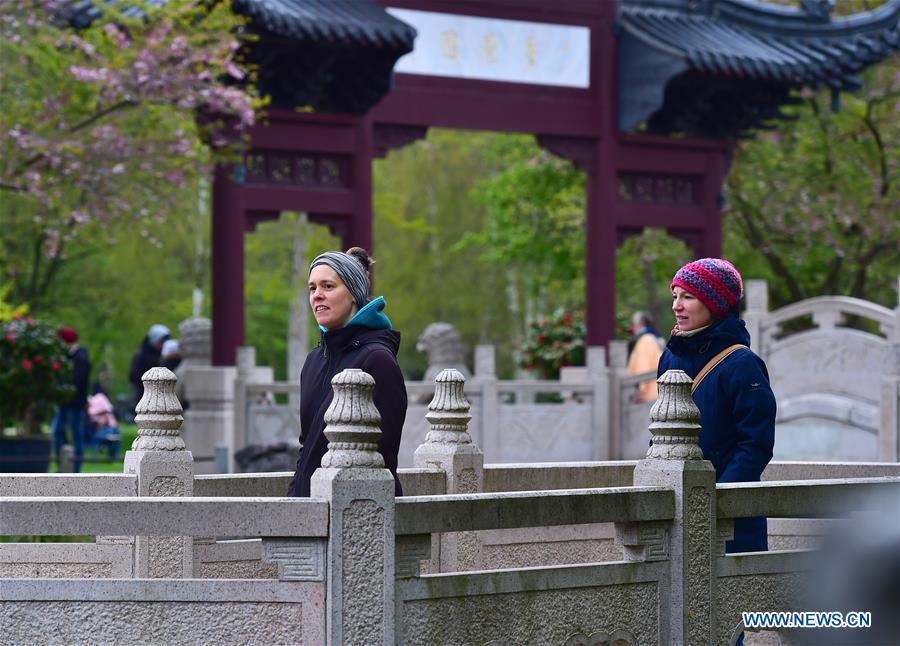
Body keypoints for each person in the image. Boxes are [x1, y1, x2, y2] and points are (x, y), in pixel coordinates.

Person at [658, 258, 776, 554]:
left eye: (688, 296)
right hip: (675, 514)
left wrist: (715, 499)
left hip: (730, 520)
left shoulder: (743, 364)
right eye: (675, 296)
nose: (677, 306)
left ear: (715, 303)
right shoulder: (669, 358)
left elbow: (755, 445)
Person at [287, 247, 407, 498]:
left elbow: (382, 457)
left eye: (328, 286)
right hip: (308, 515)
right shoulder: (313, 361)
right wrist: (294, 500)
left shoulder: (377, 361)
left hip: (360, 515)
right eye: (312, 288)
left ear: (353, 293)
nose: (317, 295)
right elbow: (306, 448)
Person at [53, 327, 91, 472]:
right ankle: (63, 465)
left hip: (75, 404)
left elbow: (78, 382)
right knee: (58, 432)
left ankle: (76, 468)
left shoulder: (80, 358)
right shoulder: (68, 357)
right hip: (64, 403)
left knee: (76, 435)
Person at [128, 323, 170, 411]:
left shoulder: (165, 355)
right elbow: (134, 376)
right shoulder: (141, 355)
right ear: (155, 340)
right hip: (145, 396)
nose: (163, 345)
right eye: (161, 342)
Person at [627, 311, 664, 401]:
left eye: (634, 324)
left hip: (650, 395)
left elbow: (643, 367)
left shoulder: (645, 340)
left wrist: (641, 392)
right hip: (655, 392)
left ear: (641, 325)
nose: (633, 328)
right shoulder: (652, 339)